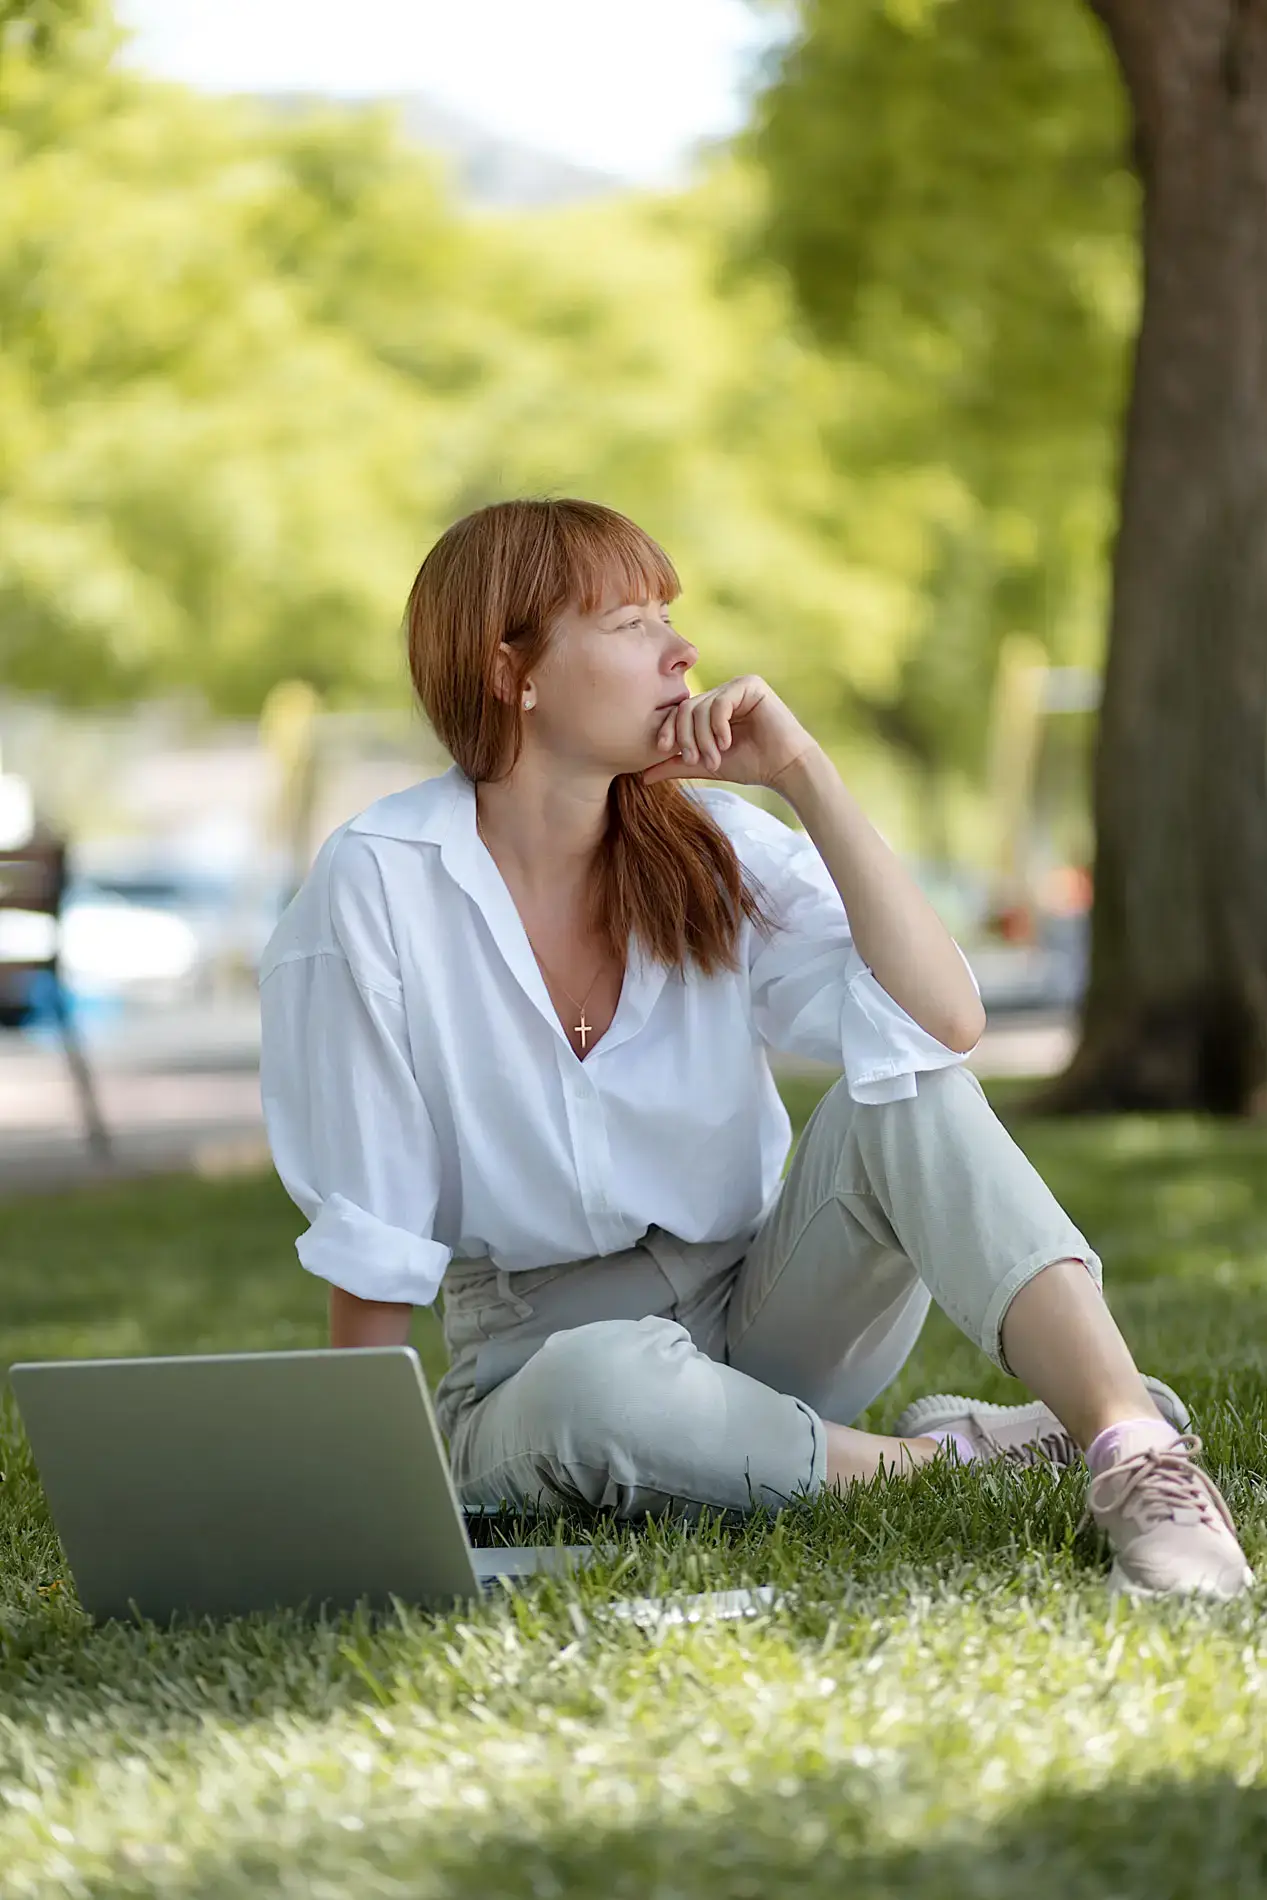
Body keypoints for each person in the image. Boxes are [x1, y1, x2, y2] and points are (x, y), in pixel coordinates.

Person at [258, 497, 1253, 1601]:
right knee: (604, 1383)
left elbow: (939, 1025)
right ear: (511, 670)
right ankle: (945, 1461)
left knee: (904, 1090)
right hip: (535, 1365)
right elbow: (373, 1228)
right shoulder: (379, 883)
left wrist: (805, 777)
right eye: (630, 623)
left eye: (669, 616)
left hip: (768, 1306)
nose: (681, 651)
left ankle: (1133, 1454)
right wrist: (361, 1502)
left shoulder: (714, 846)